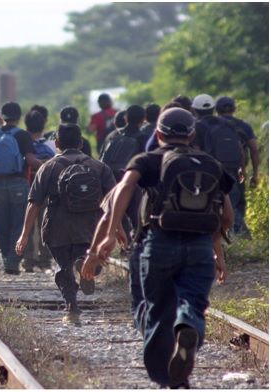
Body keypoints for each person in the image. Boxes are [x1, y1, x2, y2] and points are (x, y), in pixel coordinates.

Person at [82, 108, 234, 388]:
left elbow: (124, 188)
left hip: (159, 242)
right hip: (200, 246)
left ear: (159, 133)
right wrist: (217, 250)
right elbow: (226, 215)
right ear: (192, 134)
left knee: (158, 309)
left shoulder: (147, 160)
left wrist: (112, 234)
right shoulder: (211, 163)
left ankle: (166, 379)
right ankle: (187, 327)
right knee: (193, 303)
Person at [15, 123, 116, 323]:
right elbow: (114, 201)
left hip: (57, 225)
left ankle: (72, 309)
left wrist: (25, 235)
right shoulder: (98, 166)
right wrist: (117, 229)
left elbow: (34, 203)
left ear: (57, 143)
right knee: (88, 256)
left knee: (63, 266)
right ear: (80, 143)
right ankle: (85, 265)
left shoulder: (48, 167)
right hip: (90, 226)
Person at [0, 101, 42, 275]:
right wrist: (48, 166)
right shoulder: (23, 135)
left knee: (1, 224)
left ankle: (6, 258)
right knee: (18, 224)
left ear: (2, 116)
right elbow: (30, 160)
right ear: (19, 117)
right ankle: (13, 262)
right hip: (18, 183)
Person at [192, 94, 245, 236]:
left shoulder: (199, 127)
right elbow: (239, 149)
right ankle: (236, 235)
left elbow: (197, 151)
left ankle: (241, 234)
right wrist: (242, 169)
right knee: (232, 203)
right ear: (213, 109)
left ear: (195, 111)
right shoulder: (227, 124)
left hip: (211, 171)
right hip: (231, 169)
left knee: (212, 205)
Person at [100, 105, 148, 242]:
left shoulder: (113, 135)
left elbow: (101, 157)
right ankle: (136, 244)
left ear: (125, 118)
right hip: (130, 180)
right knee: (135, 215)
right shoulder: (144, 138)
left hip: (108, 178)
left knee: (113, 212)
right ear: (143, 120)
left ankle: (122, 243)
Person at [215, 96, 259, 237]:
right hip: (238, 169)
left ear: (216, 110)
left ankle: (232, 234)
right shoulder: (244, 126)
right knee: (237, 202)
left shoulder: (212, 126)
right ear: (234, 109)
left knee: (227, 203)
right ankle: (243, 236)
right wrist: (255, 173)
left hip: (216, 170)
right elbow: (254, 149)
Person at [22, 110, 55, 273]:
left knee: (27, 224)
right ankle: (45, 260)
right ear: (44, 125)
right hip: (47, 191)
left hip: (26, 189)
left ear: (26, 126)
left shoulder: (23, 145)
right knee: (45, 224)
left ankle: (27, 260)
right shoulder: (50, 145)